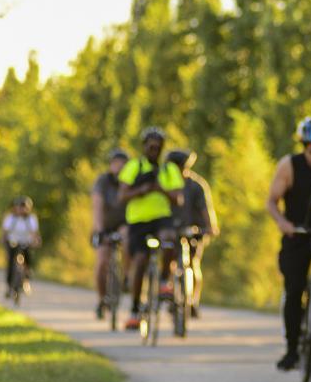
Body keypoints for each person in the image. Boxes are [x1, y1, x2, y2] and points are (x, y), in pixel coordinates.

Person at [266, 115, 311, 371]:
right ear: (304, 146)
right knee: (294, 288)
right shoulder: (290, 165)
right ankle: (291, 348)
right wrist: (283, 223)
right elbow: (271, 201)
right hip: (296, 234)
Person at [117, 127, 185, 330]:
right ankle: (135, 309)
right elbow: (121, 196)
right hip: (138, 221)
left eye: (158, 147)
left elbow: (178, 199)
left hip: (161, 218)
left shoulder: (168, 170)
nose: (154, 150)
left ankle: (165, 281)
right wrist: (142, 190)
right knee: (139, 260)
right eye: (151, 146)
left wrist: (160, 189)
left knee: (169, 238)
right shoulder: (133, 166)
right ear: (144, 146)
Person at [166, 148, 219, 318]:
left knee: (193, 263)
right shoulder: (165, 184)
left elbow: (206, 209)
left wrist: (210, 227)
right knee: (170, 262)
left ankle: (193, 301)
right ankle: (172, 293)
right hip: (172, 229)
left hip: (194, 230)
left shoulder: (196, 185)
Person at [91, 148, 130, 319]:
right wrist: (99, 230)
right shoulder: (102, 181)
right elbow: (97, 205)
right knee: (102, 263)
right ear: (110, 165)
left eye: (123, 165)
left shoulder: (131, 181)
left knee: (129, 238)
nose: (119, 168)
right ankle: (101, 299)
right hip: (105, 225)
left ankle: (127, 277)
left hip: (124, 224)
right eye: (116, 164)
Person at [1, 196, 41, 293]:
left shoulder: (31, 218)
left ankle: (26, 278)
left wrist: (36, 241)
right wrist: (3, 239)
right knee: (11, 263)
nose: (21, 209)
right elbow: (5, 231)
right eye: (19, 207)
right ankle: (9, 285)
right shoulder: (11, 218)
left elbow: (34, 232)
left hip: (25, 242)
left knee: (28, 259)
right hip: (13, 242)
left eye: (23, 207)